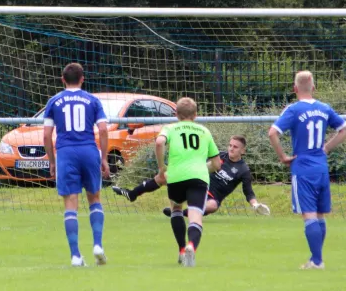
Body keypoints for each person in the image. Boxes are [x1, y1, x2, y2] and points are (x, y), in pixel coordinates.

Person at [269, 70, 346, 270]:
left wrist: (283, 157)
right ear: (313, 87)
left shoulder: (294, 110)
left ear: (295, 89)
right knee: (320, 215)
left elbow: (273, 133)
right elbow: (344, 129)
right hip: (321, 167)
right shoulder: (325, 108)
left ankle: (317, 261)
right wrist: (327, 147)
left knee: (309, 215)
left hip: (302, 168)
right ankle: (316, 259)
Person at [43, 63, 111, 267]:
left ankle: (75, 256)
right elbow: (104, 130)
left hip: (66, 153)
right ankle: (97, 245)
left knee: (70, 203)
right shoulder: (92, 100)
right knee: (94, 198)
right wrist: (104, 158)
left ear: (63, 79)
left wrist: (52, 160)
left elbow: (46, 134)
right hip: (89, 150)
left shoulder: (54, 101)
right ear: (82, 79)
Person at [113, 135, 271, 217]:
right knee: (165, 176)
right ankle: (132, 193)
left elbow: (248, 191)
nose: (231, 149)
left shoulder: (243, 170)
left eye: (235, 147)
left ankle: (180, 213)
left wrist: (255, 204)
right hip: (198, 184)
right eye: (230, 145)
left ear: (243, 151)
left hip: (212, 196)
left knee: (213, 206)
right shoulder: (219, 156)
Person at [154, 97, 221, 267]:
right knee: (195, 216)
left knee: (176, 208)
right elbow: (217, 164)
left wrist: (162, 169)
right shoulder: (204, 131)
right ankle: (192, 245)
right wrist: (202, 167)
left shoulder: (170, 128)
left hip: (175, 177)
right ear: (196, 114)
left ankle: (182, 250)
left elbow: (159, 142)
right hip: (198, 177)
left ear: (176, 114)